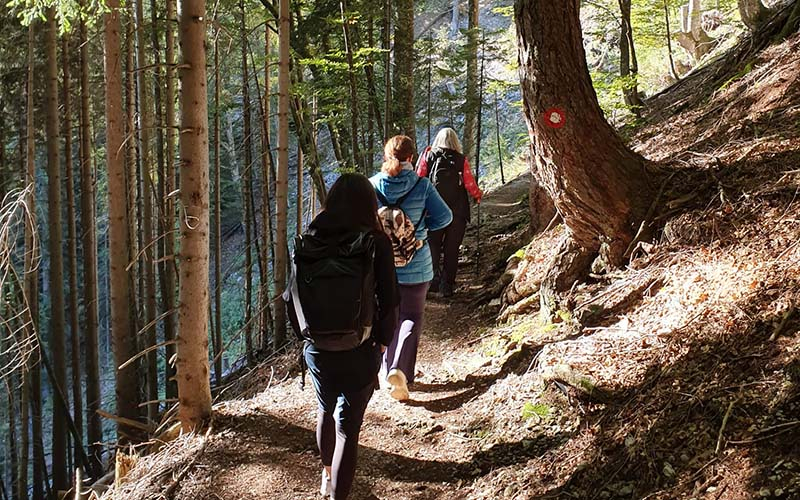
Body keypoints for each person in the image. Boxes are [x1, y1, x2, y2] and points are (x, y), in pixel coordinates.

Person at [287, 173, 399, 499]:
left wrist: (306, 338)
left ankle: (326, 476)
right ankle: (338, 493)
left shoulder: (308, 239)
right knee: (348, 430)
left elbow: (288, 298)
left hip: (317, 348)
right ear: (368, 204)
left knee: (324, 409)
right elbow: (391, 300)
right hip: (360, 348)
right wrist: (382, 341)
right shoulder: (375, 242)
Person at [370, 135, 453, 401]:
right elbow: (445, 217)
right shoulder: (421, 185)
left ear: (386, 156)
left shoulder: (373, 185)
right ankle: (400, 370)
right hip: (416, 262)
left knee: (386, 317)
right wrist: (417, 231)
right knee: (411, 317)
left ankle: (385, 369)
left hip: (381, 266)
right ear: (412, 157)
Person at [416, 127, 483, 297]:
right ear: (455, 141)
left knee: (433, 245)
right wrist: (477, 196)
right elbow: (469, 184)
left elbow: (419, 178)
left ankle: (433, 281)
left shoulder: (428, 156)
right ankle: (448, 285)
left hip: (433, 210)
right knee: (452, 248)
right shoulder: (461, 160)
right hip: (457, 211)